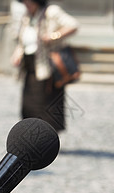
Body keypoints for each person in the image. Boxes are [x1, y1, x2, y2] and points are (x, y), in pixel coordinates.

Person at [11, 0, 78, 133]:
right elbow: (23, 39)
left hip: (47, 66)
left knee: (46, 103)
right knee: (29, 104)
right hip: (30, 65)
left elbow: (73, 25)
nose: (27, 5)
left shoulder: (51, 11)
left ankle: (46, 136)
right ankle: (30, 133)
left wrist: (54, 36)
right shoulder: (28, 15)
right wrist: (18, 52)